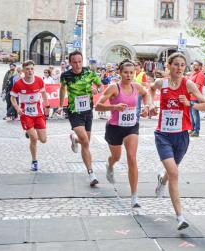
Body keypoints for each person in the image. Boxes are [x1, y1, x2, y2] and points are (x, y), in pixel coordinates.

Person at [149, 53, 205, 230]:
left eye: (183, 65)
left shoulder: (188, 84)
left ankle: (162, 179)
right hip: (163, 135)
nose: (180, 68)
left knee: (171, 170)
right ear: (168, 66)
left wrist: (190, 104)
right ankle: (180, 217)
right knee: (174, 173)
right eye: (176, 64)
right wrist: (151, 104)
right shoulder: (163, 83)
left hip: (182, 135)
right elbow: (150, 90)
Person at [95, 59, 149, 208]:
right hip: (114, 127)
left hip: (132, 126)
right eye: (126, 72)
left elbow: (146, 94)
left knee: (132, 157)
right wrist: (114, 107)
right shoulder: (114, 88)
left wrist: (147, 106)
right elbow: (97, 106)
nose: (129, 75)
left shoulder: (137, 86)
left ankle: (134, 195)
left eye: (132, 72)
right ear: (120, 73)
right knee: (116, 157)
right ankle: (110, 165)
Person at [58, 51, 102, 187]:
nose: (77, 65)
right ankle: (91, 174)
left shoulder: (89, 73)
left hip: (88, 111)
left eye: (79, 61)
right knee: (86, 142)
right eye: (74, 62)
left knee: (85, 141)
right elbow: (62, 90)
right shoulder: (65, 75)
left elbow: (100, 86)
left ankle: (74, 138)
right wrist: (60, 105)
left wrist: (96, 90)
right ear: (70, 63)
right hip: (74, 111)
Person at [10, 60, 50, 171]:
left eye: (32, 69)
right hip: (26, 114)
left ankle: (29, 132)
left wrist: (46, 105)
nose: (30, 71)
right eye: (27, 69)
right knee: (34, 138)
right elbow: (12, 98)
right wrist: (17, 108)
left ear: (34, 69)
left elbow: (43, 93)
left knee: (43, 139)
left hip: (38, 113)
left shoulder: (39, 81)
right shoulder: (18, 83)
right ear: (23, 70)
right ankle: (34, 161)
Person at [189, 60, 205, 137]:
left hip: (195, 97)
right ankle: (192, 129)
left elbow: (197, 86)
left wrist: (188, 89)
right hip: (190, 96)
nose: (194, 66)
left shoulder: (200, 74)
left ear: (200, 66)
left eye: (196, 65)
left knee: (195, 114)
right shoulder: (192, 74)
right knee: (191, 114)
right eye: (193, 65)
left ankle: (196, 131)